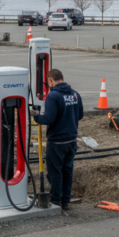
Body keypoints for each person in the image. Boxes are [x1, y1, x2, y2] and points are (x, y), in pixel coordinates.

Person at [31, 69, 83, 212]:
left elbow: (49, 119)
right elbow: (80, 115)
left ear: (50, 81)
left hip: (57, 142)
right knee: (67, 171)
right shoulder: (75, 94)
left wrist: (36, 116)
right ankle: (65, 202)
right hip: (71, 141)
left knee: (55, 173)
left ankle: (55, 202)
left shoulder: (53, 96)